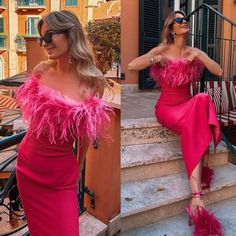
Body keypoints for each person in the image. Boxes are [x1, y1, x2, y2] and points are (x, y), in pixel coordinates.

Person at [15, 10, 112, 236]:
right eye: (41, 39)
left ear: (70, 33)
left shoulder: (92, 81)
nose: (44, 44)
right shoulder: (41, 71)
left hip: (61, 178)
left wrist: (77, 170)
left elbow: (86, 135)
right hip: (28, 168)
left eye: (49, 36)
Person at [128, 10, 224, 235]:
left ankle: (196, 199)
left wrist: (199, 57)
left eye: (185, 19)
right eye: (179, 20)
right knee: (197, 121)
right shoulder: (162, 49)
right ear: (171, 28)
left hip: (187, 106)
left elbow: (218, 70)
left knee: (200, 99)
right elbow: (133, 65)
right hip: (167, 109)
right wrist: (156, 59)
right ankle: (197, 198)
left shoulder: (194, 51)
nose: (184, 22)